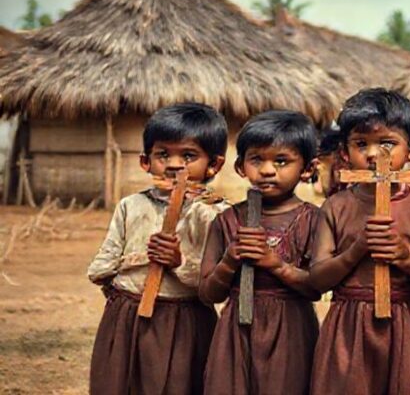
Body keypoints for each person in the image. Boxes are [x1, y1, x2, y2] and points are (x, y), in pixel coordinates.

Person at [87, 102, 229, 395]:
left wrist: (178, 261)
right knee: (117, 382)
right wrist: (117, 282)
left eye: (188, 155)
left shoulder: (213, 215)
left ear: (214, 165)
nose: (174, 164)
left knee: (177, 384)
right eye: (163, 154)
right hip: (125, 313)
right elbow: (103, 262)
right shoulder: (130, 205)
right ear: (145, 161)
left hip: (184, 319)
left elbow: (215, 282)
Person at [309, 88, 410, 395]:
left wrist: (406, 259)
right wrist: (356, 249)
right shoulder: (336, 206)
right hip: (349, 323)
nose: (373, 154)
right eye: (360, 144)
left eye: (387, 143)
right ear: (344, 152)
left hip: (406, 319)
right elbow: (317, 279)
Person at [199, 110, 322, 394]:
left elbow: (317, 287)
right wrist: (230, 259)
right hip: (235, 330)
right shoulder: (226, 221)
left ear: (307, 168)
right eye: (257, 160)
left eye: (281, 161)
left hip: (291, 329)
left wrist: (276, 264)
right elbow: (208, 293)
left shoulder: (314, 220)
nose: (267, 170)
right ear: (241, 166)